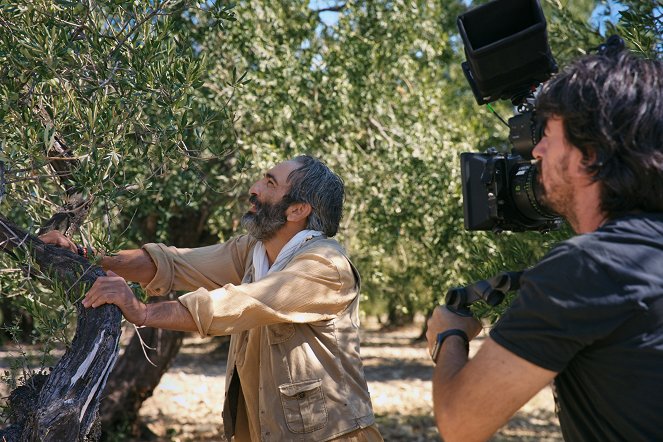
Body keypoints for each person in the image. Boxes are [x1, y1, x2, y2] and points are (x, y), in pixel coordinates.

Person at [42, 155, 383, 442]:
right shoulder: (254, 251)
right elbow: (173, 262)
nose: (254, 189)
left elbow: (241, 304)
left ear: (297, 210)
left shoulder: (325, 265)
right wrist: (88, 255)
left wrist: (143, 311)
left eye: (269, 183)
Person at [426, 47, 663, 441]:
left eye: (549, 136)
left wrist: (449, 336)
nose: (535, 152)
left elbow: (459, 423)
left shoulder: (590, 268)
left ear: (590, 154)